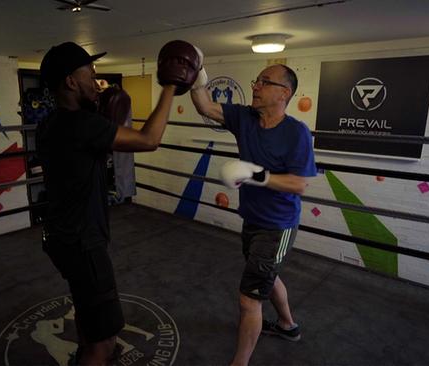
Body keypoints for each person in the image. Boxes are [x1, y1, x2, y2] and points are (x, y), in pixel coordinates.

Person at [36, 40, 201, 365]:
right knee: (106, 341)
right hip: (84, 244)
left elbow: (83, 155)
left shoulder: (49, 124)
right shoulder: (82, 125)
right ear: (71, 81)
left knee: (86, 309)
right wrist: (169, 86)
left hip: (60, 238)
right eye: (91, 74)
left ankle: (83, 351)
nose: (97, 82)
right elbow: (149, 139)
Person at [190, 58, 316, 366]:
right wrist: (196, 76)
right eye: (256, 81)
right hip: (252, 219)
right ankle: (288, 326)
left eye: (264, 82)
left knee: (249, 299)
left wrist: (256, 175)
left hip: (278, 226)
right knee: (267, 277)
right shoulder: (245, 118)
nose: (256, 87)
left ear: (284, 93)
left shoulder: (296, 133)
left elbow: (299, 184)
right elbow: (206, 107)